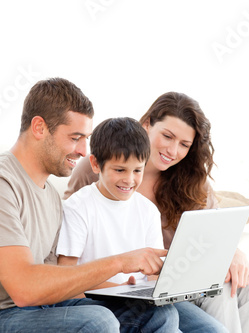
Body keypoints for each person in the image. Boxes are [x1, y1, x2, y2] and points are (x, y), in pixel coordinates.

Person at [0, 78, 180, 333]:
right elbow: (25, 289)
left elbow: (55, 279)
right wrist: (120, 263)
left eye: (86, 139)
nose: (83, 150)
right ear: (39, 127)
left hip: (37, 308)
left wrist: (126, 291)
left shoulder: (49, 195)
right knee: (98, 322)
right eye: (75, 138)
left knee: (158, 315)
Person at [64, 92, 249, 333]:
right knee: (223, 289)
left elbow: (214, 232)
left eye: (184, 145)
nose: (173, 151)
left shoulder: (190, 181)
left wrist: (234, 252)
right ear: (146, 125)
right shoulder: (96, 170)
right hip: (127, 286)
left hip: (173, 282)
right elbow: (69, 233)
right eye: (167, 136)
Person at [57, 117, 228, 332]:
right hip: (90, 300)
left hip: (138, 297)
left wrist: (155, 287)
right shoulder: (78, 207)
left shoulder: (147, 210)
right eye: (119, 170)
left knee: (213, 330)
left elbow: (153, 275)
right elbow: (64, 279)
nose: (129, 180)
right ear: (95, 164)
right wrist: (118, 289)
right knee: (163, 317)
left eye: (137, 170)